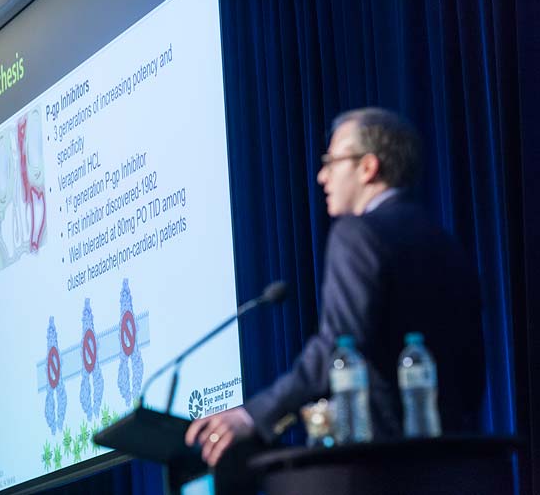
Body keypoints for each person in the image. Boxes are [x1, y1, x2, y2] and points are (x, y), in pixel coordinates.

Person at [185, 107, 485, 466]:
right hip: (460, 458)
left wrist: (254, 415)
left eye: (331, 162)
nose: (322, 176)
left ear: (367, 167)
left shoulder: (357, 234)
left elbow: (340, 345)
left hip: (382, 462)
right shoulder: (444, 241)